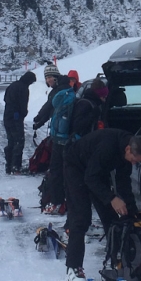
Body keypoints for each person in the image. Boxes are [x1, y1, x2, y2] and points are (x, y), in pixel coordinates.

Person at [62, 129, 141, 281]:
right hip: (76, 166)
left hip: (96, 170)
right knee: (81, 217)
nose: (133, 164)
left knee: (110, 216)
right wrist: (112, 198)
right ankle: (73, 267)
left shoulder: (127, 152)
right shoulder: (108, 147)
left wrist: (131, 212)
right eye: (133, 160)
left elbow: (124, 184)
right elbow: (90, 178)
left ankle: (118, 261)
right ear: (128, 150)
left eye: (137, 162)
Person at [41, 77, 109, 215]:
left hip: (62, 141)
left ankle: (58, 201)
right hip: (71, 144)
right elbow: (78, 125)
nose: (105, 98)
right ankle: (62, 202)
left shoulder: (83, 101)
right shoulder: (87, 105)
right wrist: (93, 115)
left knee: (58, 171)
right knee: (66, 174)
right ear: (99, 93)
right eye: (103, 95)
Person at [32, 65, 73, 212]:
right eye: (46, 78)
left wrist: (38, 121)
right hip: (68, 136)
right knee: (66, 169)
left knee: (56, 169)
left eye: (50, 77)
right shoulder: (68, 88)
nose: (48, 80)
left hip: (59, 137)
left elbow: (48, 108)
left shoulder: (58, 91)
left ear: (56, 77)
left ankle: (57, 202)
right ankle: (66, 199)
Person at [2, 71, 37, 174]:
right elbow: (23, 105)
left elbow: (5, 98)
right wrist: (22, 114)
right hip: (16, 118)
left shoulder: (13, 85)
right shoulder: (23, 88)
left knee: (11, 141)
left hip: (7, 116)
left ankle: (8, 165)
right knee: (19, 141)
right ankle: (16, 166)